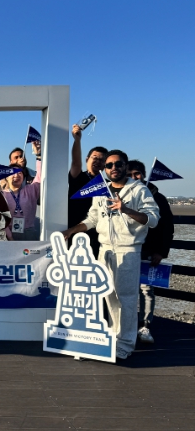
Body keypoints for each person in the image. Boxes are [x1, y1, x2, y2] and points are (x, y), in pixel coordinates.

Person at [62, 150, 160, 360]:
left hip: (128, 249)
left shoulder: (139, 190)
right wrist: (71, 231)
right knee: (109, 295)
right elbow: (92, 219)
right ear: (105, 169)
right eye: (109, 165)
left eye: (118, 164)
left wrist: (126, 210)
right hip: (105, 249)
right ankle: (115, 338)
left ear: (125, 166)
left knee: (126, 298)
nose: (114, 168)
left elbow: (153, 219)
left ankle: (126, 343)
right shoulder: (101, 191)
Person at [127, 160, 175, 345]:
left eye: (137, 173)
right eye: (129, 174)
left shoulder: (158, 197)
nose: (134, 177)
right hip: (127, 250)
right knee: (124, 289)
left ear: (144, 175)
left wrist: (161, 251)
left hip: (148, 251)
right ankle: (126, 325)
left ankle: (145, 325)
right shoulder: (121, 194)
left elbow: (167, 227)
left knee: (146, 290)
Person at [68, 124, 108, 257]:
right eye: (94, 157)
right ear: (87, 159)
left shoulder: (107, 184)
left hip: (98, 235)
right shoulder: (78, 177)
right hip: (74, 230)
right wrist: (77, 140)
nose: (98, 161)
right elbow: (75, 163)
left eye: (102, 160)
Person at [3, 147, 42, 241]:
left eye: (20, 173)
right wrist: (10, 237)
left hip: (28, 233)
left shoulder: (30, 190)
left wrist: (38, 156)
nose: (16, 175)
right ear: (6, 177)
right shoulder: (1, 195)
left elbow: (40, 176)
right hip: (8, 235)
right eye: (13, 173)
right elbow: (1, 220)